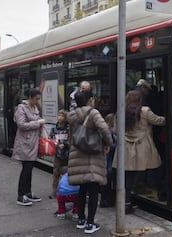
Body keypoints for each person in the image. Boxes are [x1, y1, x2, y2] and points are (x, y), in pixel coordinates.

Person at [113, 90, 165, 214]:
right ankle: (156, 190)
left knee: (127, 177)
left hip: (125, 148)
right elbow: (159, 121)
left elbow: (115, 130)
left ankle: (126, 203)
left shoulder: (120, 112)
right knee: (152, 169)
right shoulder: (145, 111)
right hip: (142, 148)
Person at [67, 89, 112, 234]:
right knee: (93, 190)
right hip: (91, 155)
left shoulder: (72, 115)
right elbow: (104, 129)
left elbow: (71, 136)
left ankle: (81, 219)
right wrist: (108, 143)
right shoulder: (93, 113)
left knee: (82, 189)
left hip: (77, 153)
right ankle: (90, 223)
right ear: (90, 100)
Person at [12, 88, 45, 206]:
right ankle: (21, 195)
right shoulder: (21, 108)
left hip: (33, 142)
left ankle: (28, 192)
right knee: (26, 169)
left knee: (30, 169)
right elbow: (21, 125)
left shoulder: (35, 108)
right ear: (30, 97)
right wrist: (38, 123)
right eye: (36, 99)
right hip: (25, 144)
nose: (37, 101)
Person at [49, 109, 70, 199]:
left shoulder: (68, 129)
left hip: (67, 154)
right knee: (56, 172)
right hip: (57, 154)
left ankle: (66, 190)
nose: (60, 117)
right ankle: (54, 191)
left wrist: (65, 144)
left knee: (67, 172)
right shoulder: (54, 128)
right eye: (59, 115)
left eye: (62, 116)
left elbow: (71, 140)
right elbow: (50, 139)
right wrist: (55, 144)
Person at [100, 113, 116, 208]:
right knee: (108, 183)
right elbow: (110, 146)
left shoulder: (105, 131)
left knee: (106, 183)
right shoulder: (109, 132)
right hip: (108, 162)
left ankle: (104, 200)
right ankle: (106, 201)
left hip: (106, 162)